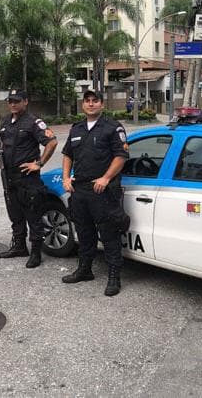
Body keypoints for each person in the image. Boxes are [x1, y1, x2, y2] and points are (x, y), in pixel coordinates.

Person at [61, 90, 129, 296]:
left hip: (102, 191)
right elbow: (67, 155)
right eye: (87, 101)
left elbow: (122, 155)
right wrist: (66, 178)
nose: (91, 104)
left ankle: (114, 277)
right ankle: (85, 270)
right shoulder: (77, 128)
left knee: (109, 235)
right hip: (80, 190)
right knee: (84, 232)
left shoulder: (112, 127)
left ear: (102, 104)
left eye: (95, 101)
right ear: (83, 105)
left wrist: (106, 178)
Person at [0, 89, 58, 268]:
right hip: (10, 176)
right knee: (15, 214)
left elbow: (52, 142)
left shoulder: (34, 122)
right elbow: (4, 144)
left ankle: (36, 253)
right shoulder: (6, 121)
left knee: (33, 214)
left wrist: (39, 164)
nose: (13, 104)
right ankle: (19, 246)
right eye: (10, 101)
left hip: (28, 178)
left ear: (25, 101)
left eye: (16, 101)